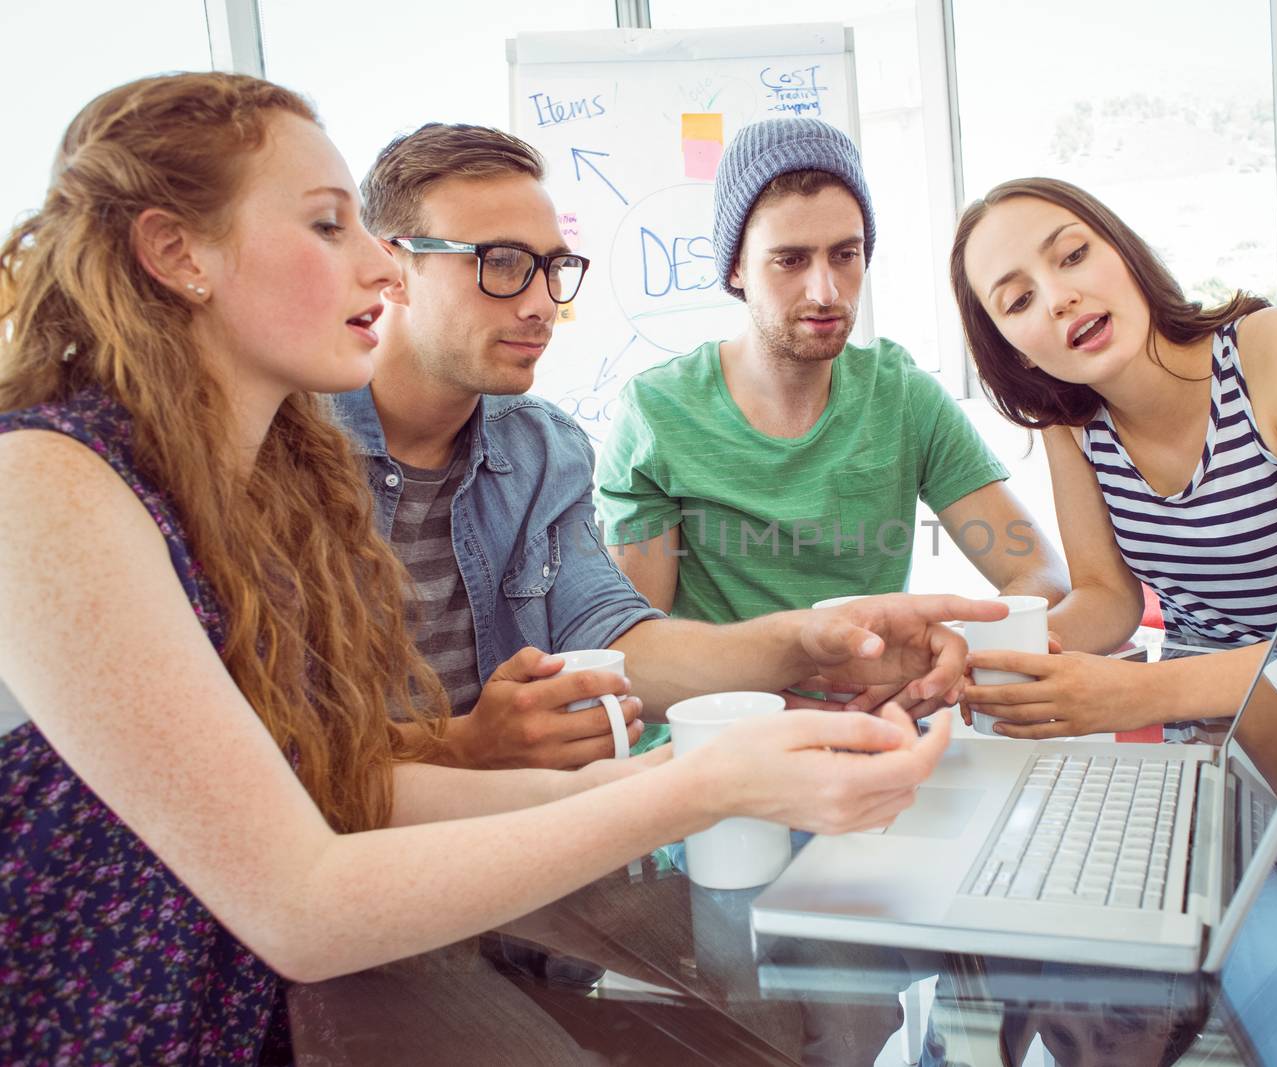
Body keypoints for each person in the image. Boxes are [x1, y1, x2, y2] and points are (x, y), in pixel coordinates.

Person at [0, 73, 974, 1063]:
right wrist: (693, 782)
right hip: (147, 994)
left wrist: (784, 669)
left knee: (794, 1010)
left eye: (553, 266)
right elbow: (304, 892)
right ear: (176, 252)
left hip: (306, 943)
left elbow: (354, 776)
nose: (375, 270)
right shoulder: (47, 478)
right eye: (331, 226)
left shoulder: (320, 465)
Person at [344, 122, 993, 772]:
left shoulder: (542, 448)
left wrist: (816, 642)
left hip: (537, 830)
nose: (543, 303)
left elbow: (620, 638)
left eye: (553, 268)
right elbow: (274, 745)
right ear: (391, 267)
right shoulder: (283, 454)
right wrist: (458, 745)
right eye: (504, 264)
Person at [596, 118, 1071, 744]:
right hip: (721, 753)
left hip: (871, 738)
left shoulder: (902, 396)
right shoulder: (657, 415)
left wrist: (956, 647)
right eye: (790, 260)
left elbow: (1041, 576)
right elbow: (638, 656)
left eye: (845, 256)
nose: (826, 291)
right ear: (736, 266)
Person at [946, 177, 1277, 738]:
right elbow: (1108, 598)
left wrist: (1140, 693)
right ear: (1013, 351)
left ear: (1124, 251)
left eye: (1073, 255)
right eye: (1019, 301)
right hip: (1223, 740)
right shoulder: (1070, 425)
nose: (1057, 298)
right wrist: (988, 659)